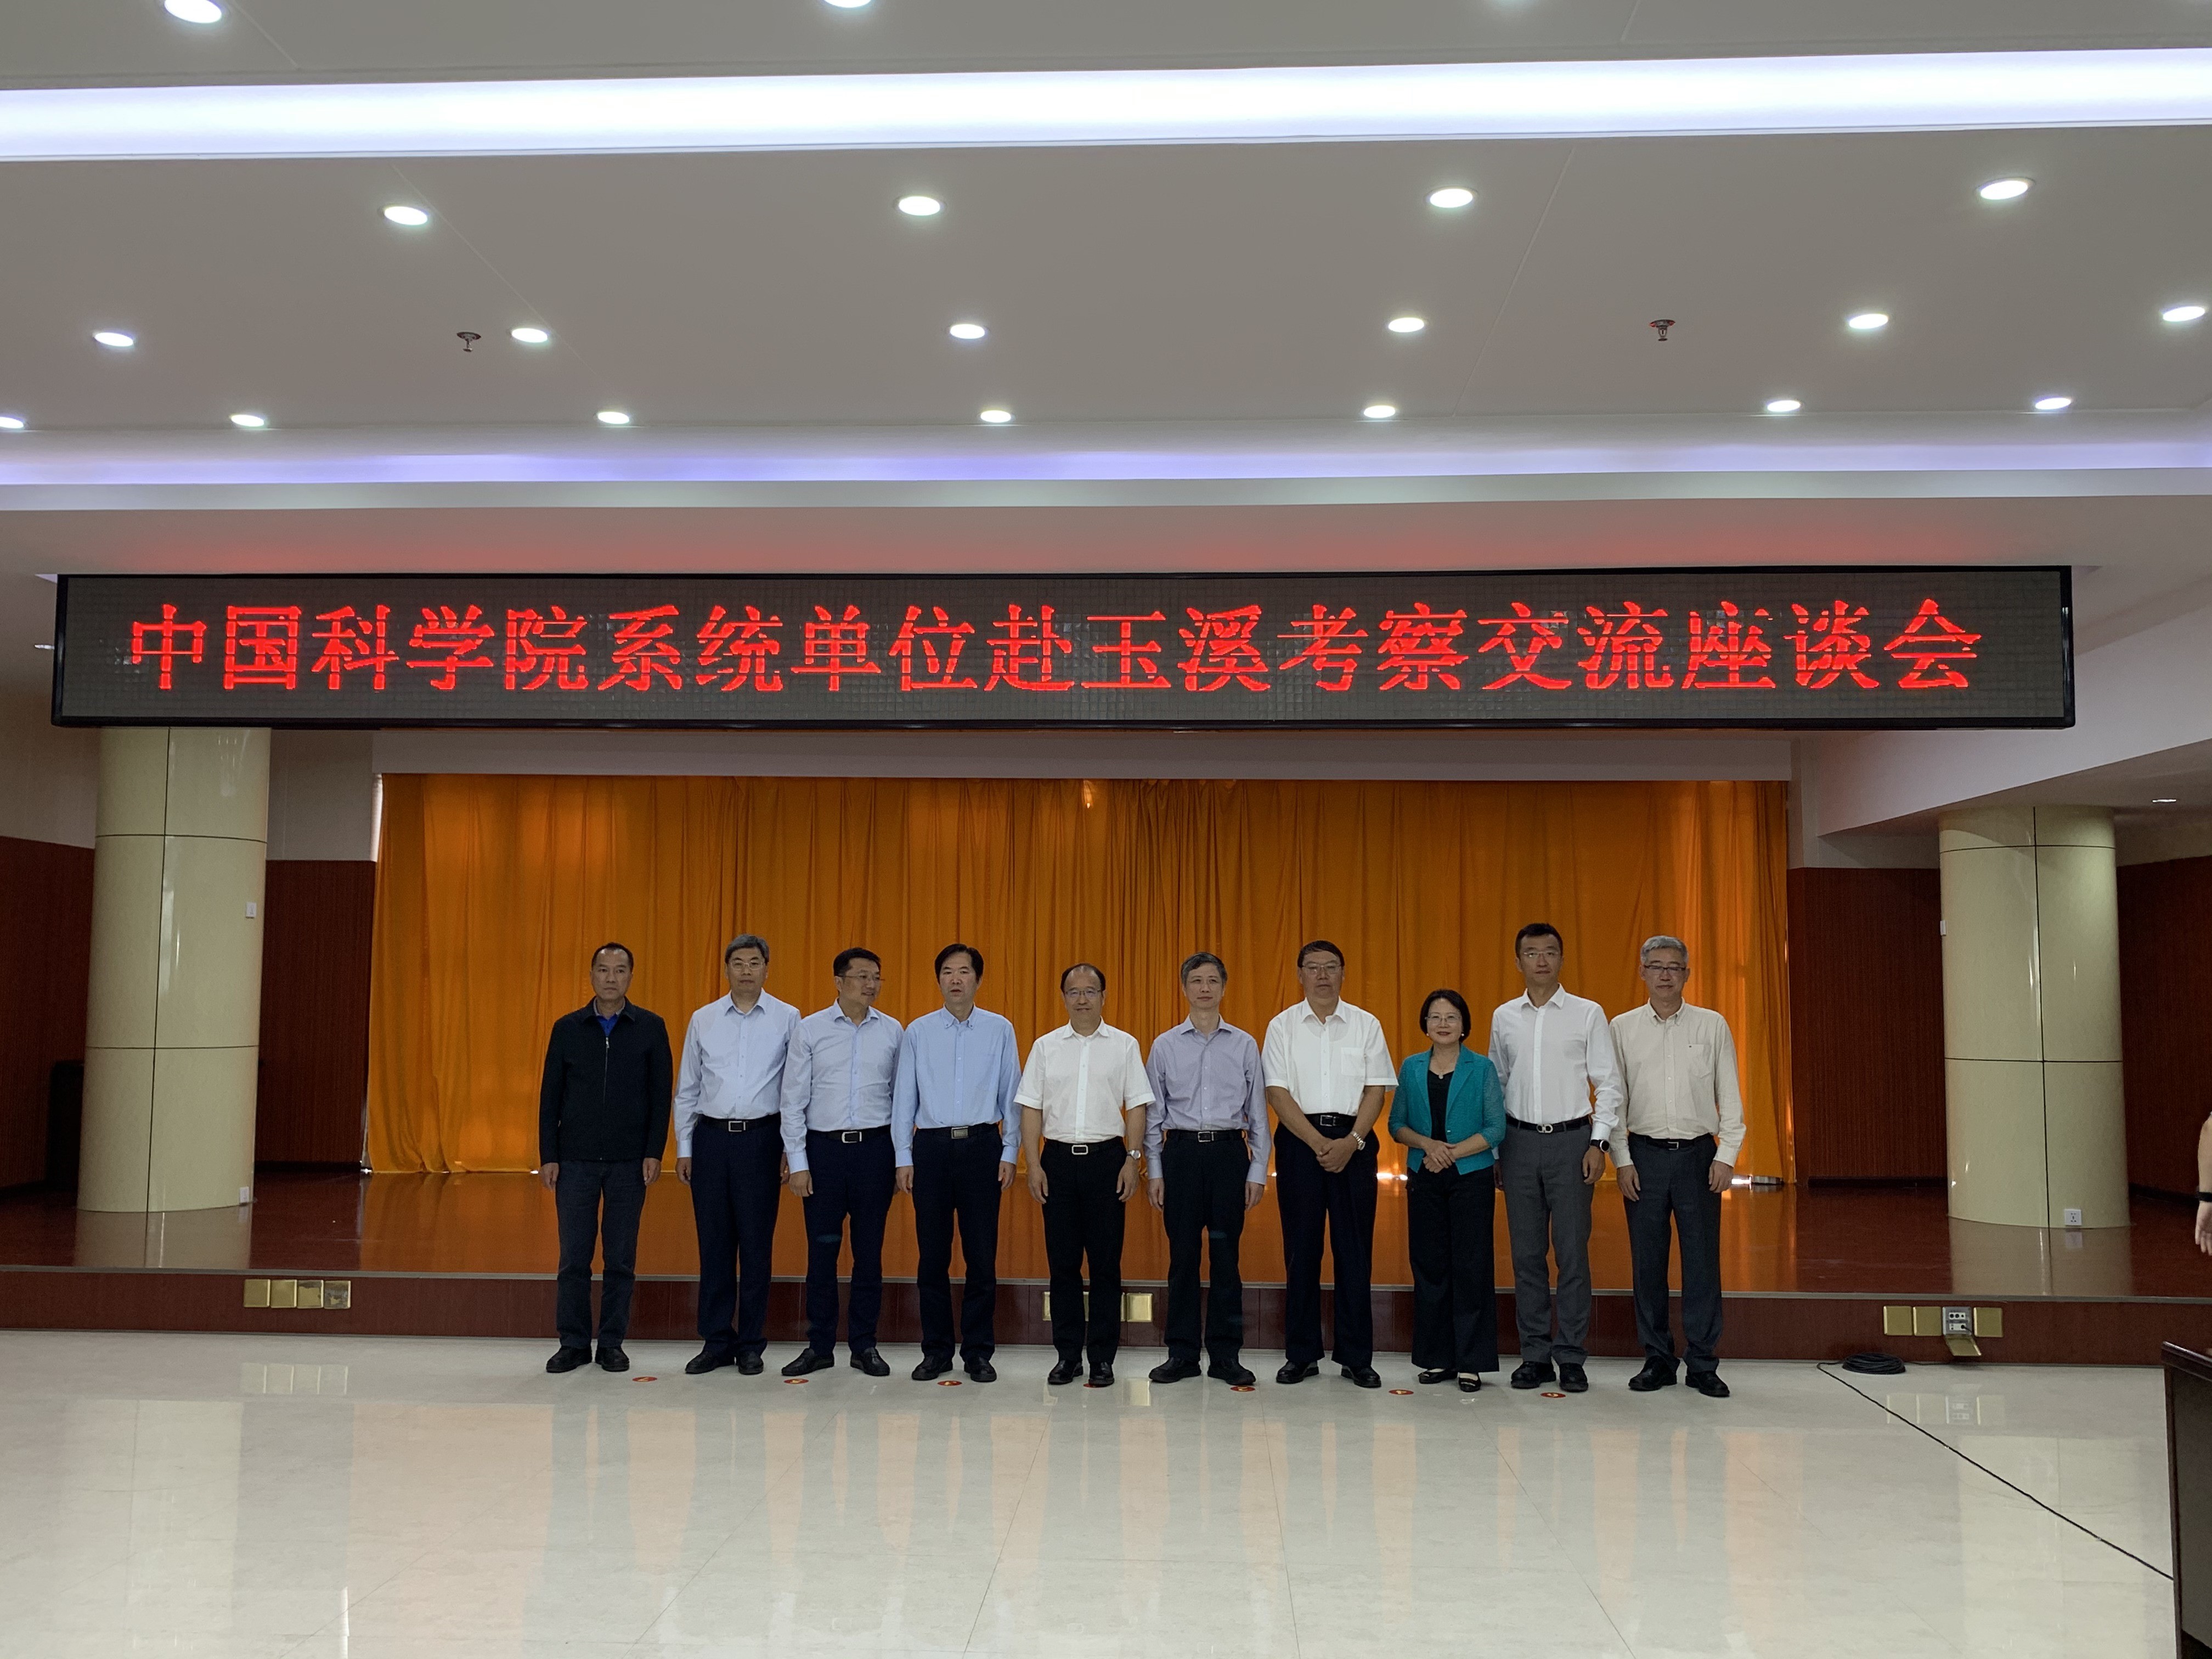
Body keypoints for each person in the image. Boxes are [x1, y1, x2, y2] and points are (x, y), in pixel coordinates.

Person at [1488, 922, 1622, 1395]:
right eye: (1532, 953)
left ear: (1562, 959)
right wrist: (1496, 1150)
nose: (1541, 961)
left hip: (1572, 1143)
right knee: (1526, 1256)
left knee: (1572, 1254)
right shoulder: (1504, 1016)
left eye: (1550, 952)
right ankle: (1534, 1355)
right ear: (1518, 961)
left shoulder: (1588, 1013)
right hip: (1519, 1143)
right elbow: (1496, 1085)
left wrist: (1598, 1143)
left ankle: (1570, 1355)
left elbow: (1609, 1084)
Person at [1612, 935, 1744, 1399]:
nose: (1665, 974)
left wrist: (1726, 1156)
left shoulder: (1712, 1025)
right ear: (1642, 972)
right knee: (1648, 1263)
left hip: (1698, 1157)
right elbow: (1614, 1100)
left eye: (1674, 966)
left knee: (1702, 1263)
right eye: (1656, 966)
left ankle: (1703, 1362)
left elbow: (1730, 1095)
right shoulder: (1622, 1028)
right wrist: (1621, 1159)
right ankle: (1657, 1358)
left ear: (1687, 974)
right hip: (1643, 1156)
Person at [1262, 939, 1395, 1390]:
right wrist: (1320, 1142)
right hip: (1301, 1144)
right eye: (1313, 967)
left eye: (1331, 967)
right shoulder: (1282, 1026)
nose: (1322, 975)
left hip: (1354, 1144)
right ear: (1299, 974)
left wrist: (1352, 1142)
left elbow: (1376, 1089)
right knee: (1301, 1251)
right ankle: (1301, 1355)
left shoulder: (1366, 1024)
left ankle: (1357, 1357)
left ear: (1343, 973)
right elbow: (1277, 1092)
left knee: (1354, 1251)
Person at [537, 942, 672, 1375]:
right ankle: (573, 1343)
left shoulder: (651, 1027)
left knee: (620, 1258)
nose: (611, 978)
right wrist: (549, 1155)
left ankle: (612, 1343)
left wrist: (654, 1151)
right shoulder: (567, 1028)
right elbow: (550, 1096)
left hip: (629, 1163)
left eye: (620, 970)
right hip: (574, 1161)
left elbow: (661, 1097)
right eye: (603, 970)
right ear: (591, 975)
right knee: (574, 1258)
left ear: (631, 976)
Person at [1019, 962, 1154, 1387]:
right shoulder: (1045, 1047)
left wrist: (1132, 1159)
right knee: (1063, 1265)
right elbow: (1031, 1108)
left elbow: (1137, 1105)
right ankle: (1067, 1356)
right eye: (1074, 992)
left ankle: (1102, 1358)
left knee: (1105, 1265)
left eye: (1090, 991)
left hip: (1107, 1161)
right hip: (1057, 1161)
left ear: (1103, 996)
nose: (1082, 999)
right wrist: (1034, 1164)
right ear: (1063, 998)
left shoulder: (1125, 1045)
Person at [894, 942, 1022, 1384]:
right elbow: (904, 1098)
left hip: (983, 1146)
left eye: (964, 971)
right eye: (948, 971)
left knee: (981, 1256)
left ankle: (978, 1352)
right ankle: (936, 1351)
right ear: (938, 979)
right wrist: (903, 1156)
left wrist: (1010, 1151)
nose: (956, 979)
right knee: (932, 1256)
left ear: (978, 979)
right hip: (930, 1149)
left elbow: (1012, 1093)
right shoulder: (919, 1031)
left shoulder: (1000, 1029)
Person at [673, 934, 800, 1378]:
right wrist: (684, 1147)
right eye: (738, 963)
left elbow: (795, 1088)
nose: (746, 970)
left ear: (767, 969)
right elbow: (688, 1088)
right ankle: (715, 1341)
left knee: (756, 1246)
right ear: (726, 969)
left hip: (761, 1141)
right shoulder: (703, 1019)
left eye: (754, 962)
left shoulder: (788, 1018)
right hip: (710, 1141)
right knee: (714, 1245)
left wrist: (791, 1148)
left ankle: (751, 1344)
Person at [1143, 952, 1270, 1387]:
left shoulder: (1244, 1044)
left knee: (1226, 1258)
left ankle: (1225, 1354)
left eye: (1212, 980)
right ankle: (1181, 1353)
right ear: (1184, 988)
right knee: (1182, 1258)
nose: (1204, 988)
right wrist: (1155, 1170)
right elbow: (1153, 1115)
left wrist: (1257, 1171)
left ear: (1223, 987)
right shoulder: (1164, 1045)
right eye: (1196, 980)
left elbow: (1258, 1114)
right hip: (1180, 1155)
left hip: (1228, 1156)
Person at [780, 948, 904, 1378]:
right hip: (824, 1153)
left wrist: (900, 1158)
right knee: (822, 1254)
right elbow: (792, 1099)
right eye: (862, 976)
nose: (871, 985)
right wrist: (798, 1162)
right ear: (838, 981)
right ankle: (819, 1346)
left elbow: (902, 1100)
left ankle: (864, 1345)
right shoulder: (810, 1030)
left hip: (875, 1152)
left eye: (876, 977)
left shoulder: (892, 1031)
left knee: (869, 1254)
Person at [1390, 989, 1506, 1392]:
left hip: (1471, 1176)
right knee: (1430, 1266)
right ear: (1425, 1024)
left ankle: (1472, 1361)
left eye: (1451, 1017)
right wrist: (1429, 1146)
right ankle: (1437, 1357)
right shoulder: (1411, 1067)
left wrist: (1451, 1153)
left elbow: (1496, 1128)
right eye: (1435, 1017)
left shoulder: (1482, 1068)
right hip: (1425, 1175)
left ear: (1464, 1025)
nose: (1443, 1024)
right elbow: (1396, 1125)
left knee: (1472, 1266)